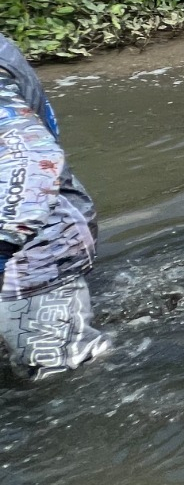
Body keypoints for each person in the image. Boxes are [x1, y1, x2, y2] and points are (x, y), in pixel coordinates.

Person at [1, 33, 109, 381]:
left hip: (34, 243)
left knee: (59, 378)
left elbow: (33, 157)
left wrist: (3, 244)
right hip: (31, 224)